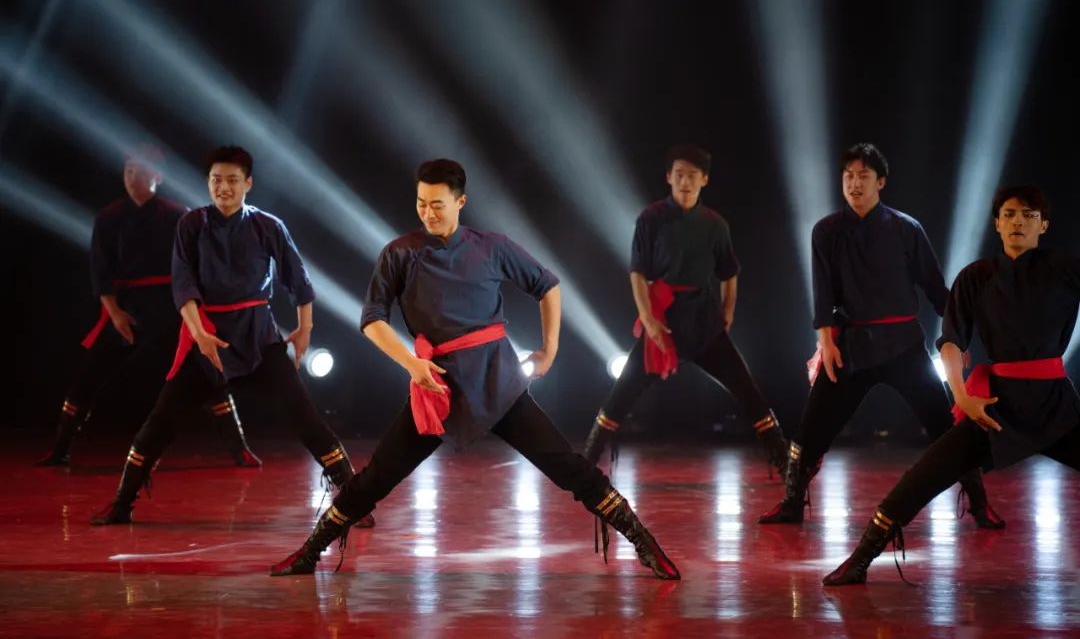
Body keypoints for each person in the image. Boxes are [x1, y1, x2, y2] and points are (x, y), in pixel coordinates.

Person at [270, 159, 679, 580]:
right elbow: (372, 320)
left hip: (497, 382)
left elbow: (548, 286)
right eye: (421, 203)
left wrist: (549, 350)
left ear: (460, 202)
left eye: (437, 204)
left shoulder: (491, 246)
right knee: (376, 477)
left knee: (568, 467)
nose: (428, 212)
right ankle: (310, 552)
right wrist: (412, 364)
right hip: (437, 387)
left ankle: (644, 542)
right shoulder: (399, 253)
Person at [90, 146, 369, 527]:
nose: (224, 187)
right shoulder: (191, 224)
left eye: (232, 180)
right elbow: (183, 286)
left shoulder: (268, 226)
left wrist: (304, 329)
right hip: (207, 337)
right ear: (208, 183)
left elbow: (299, 282)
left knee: (305, 417)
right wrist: (200, 335)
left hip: (258, 337)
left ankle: (355, 502)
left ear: (247, 184)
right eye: (216, 180)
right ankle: (121, 504)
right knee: (160, 421)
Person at [824, 184, 1079, 585]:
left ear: (1043, 225)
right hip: (995, 408)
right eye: (1009, 214)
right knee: (921, 477)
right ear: (997, 223)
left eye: (1029, 215)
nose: (1018, 222)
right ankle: (860, 559)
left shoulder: (1065, 269)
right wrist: (963, 397)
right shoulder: (976, 277)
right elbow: (951, 342)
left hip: (1056, 407)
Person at [759, 143, 1001, 529]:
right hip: (850, 348)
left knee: (945, 425)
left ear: (881, 181)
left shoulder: (906, 229)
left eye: (864, 176)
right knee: (810, 429)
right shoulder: (827, 231)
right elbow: (823, 293)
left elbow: (936, 289)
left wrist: (958, 338)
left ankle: (980, 504)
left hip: (904, 345)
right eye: (848, 176)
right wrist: (827, 342)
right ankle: (791, 503)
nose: (855, 183)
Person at [35, 146, 259, 468]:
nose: (133, 178)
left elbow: (194, 267)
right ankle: (60, 449)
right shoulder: (109, 217)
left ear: (157, 176)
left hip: (172, 305)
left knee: (209, 369)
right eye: (129, 171)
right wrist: (115, 314)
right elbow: (100, 271)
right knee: (89, 373)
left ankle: (240, 449)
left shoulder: (178, 215)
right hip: (127, 308)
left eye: (140, 171)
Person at [581, 144, 788, 476]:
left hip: (704, 320)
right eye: (679, 175)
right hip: (663, 318)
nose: (685, 182)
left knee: (745, 386)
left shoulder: (715, 224)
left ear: (704, 179)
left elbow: (729, 272)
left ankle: (783, 459)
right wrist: (648, 318)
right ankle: (587, 461)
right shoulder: (651, 218)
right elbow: (638, 272)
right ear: (668, 177)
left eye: (692, 176)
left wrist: (727, 311)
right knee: (623, 390)